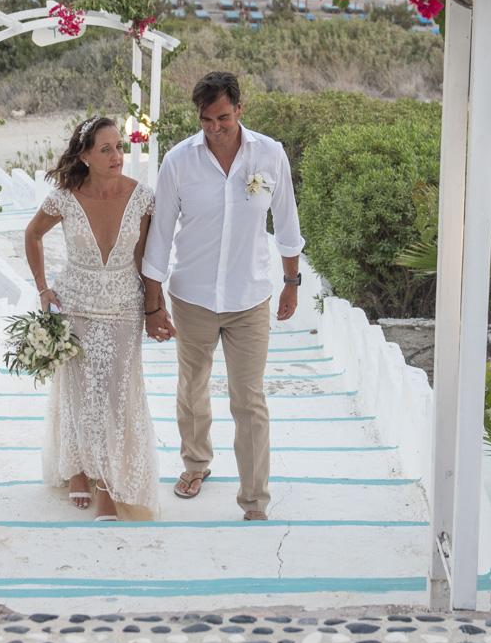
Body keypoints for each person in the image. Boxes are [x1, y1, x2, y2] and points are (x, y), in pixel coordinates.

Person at [142, 72, 306, 522]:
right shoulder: (178, 161)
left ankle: (254, 499)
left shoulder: (270, 155)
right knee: (192, 388)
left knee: (248, 398)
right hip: (192, 296)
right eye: (205, 120)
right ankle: (195, 465)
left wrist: (291, 282)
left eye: (223, 118)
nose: (214, 127)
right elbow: (159, 238)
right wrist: (152, 305)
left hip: (249, 297)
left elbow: (286, 223)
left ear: (239, 109)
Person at [23, 116, 161, 521]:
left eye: (119, 147)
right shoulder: (64, 197)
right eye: (106, 149)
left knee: (117, 393)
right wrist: (43, 288)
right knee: (80, 391)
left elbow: (144, 257)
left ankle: (106, 483)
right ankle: (79, 470)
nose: (117, 155)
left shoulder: (142, 197)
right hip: (75, 305)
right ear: (85, 156)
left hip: (123, 306)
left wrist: (157, 305)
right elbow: (32, 235)